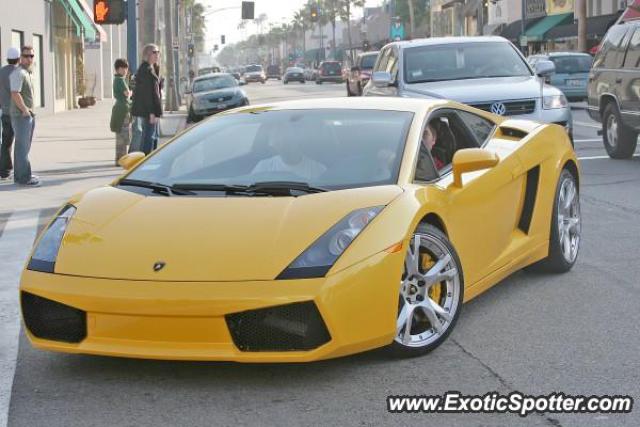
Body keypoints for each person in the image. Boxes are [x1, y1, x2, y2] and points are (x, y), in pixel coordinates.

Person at [251, 123, 326, 181]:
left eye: (286, 138)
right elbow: (251, 186)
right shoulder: (263, 167)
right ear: (273, 145)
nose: (282, 143)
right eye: (277, 139)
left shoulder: (317, 170)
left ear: (297, 140)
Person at [10, 46, 39, 186]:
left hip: (28, 115)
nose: (29, 58)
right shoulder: (19, 73)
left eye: (31, 56)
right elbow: (15, 93)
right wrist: (24, 110)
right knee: (22, 147)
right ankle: (24, 178)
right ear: (21, 57)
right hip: (21, 115)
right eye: (26, 56)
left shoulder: (29, 73)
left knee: (23, 147)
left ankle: (19, 176)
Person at [130, 44, 162, 155]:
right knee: (149, 137)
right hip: (149, 111)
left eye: (158, 52)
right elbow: (147, 94)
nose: (157, 54)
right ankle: (145, 160)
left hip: (152, 110)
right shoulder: (146, 70)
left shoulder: (152, 68)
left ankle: (148, 158)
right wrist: (152, 112)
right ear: (147, 54)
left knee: (152, 136)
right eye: (155, 52)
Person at [0, 48, 20, 180]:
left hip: (4, 112)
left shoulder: (1, 71)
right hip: (17, 113)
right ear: (18, 58)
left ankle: (4, 171)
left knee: (6, 142)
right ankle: (19, 171)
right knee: (21, 143)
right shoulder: (18, 72)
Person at [110, 58, 131, 164]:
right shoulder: (120, 80)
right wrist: (130, 92)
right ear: (117, 69)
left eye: (126, 68)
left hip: (119, 108)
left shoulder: (116, 79)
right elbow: (127, 93)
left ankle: (119, 159)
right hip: (123, 110)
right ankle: (122, 159)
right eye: (123, 68)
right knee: (123, 136)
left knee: (120, 136)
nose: (125, 70)